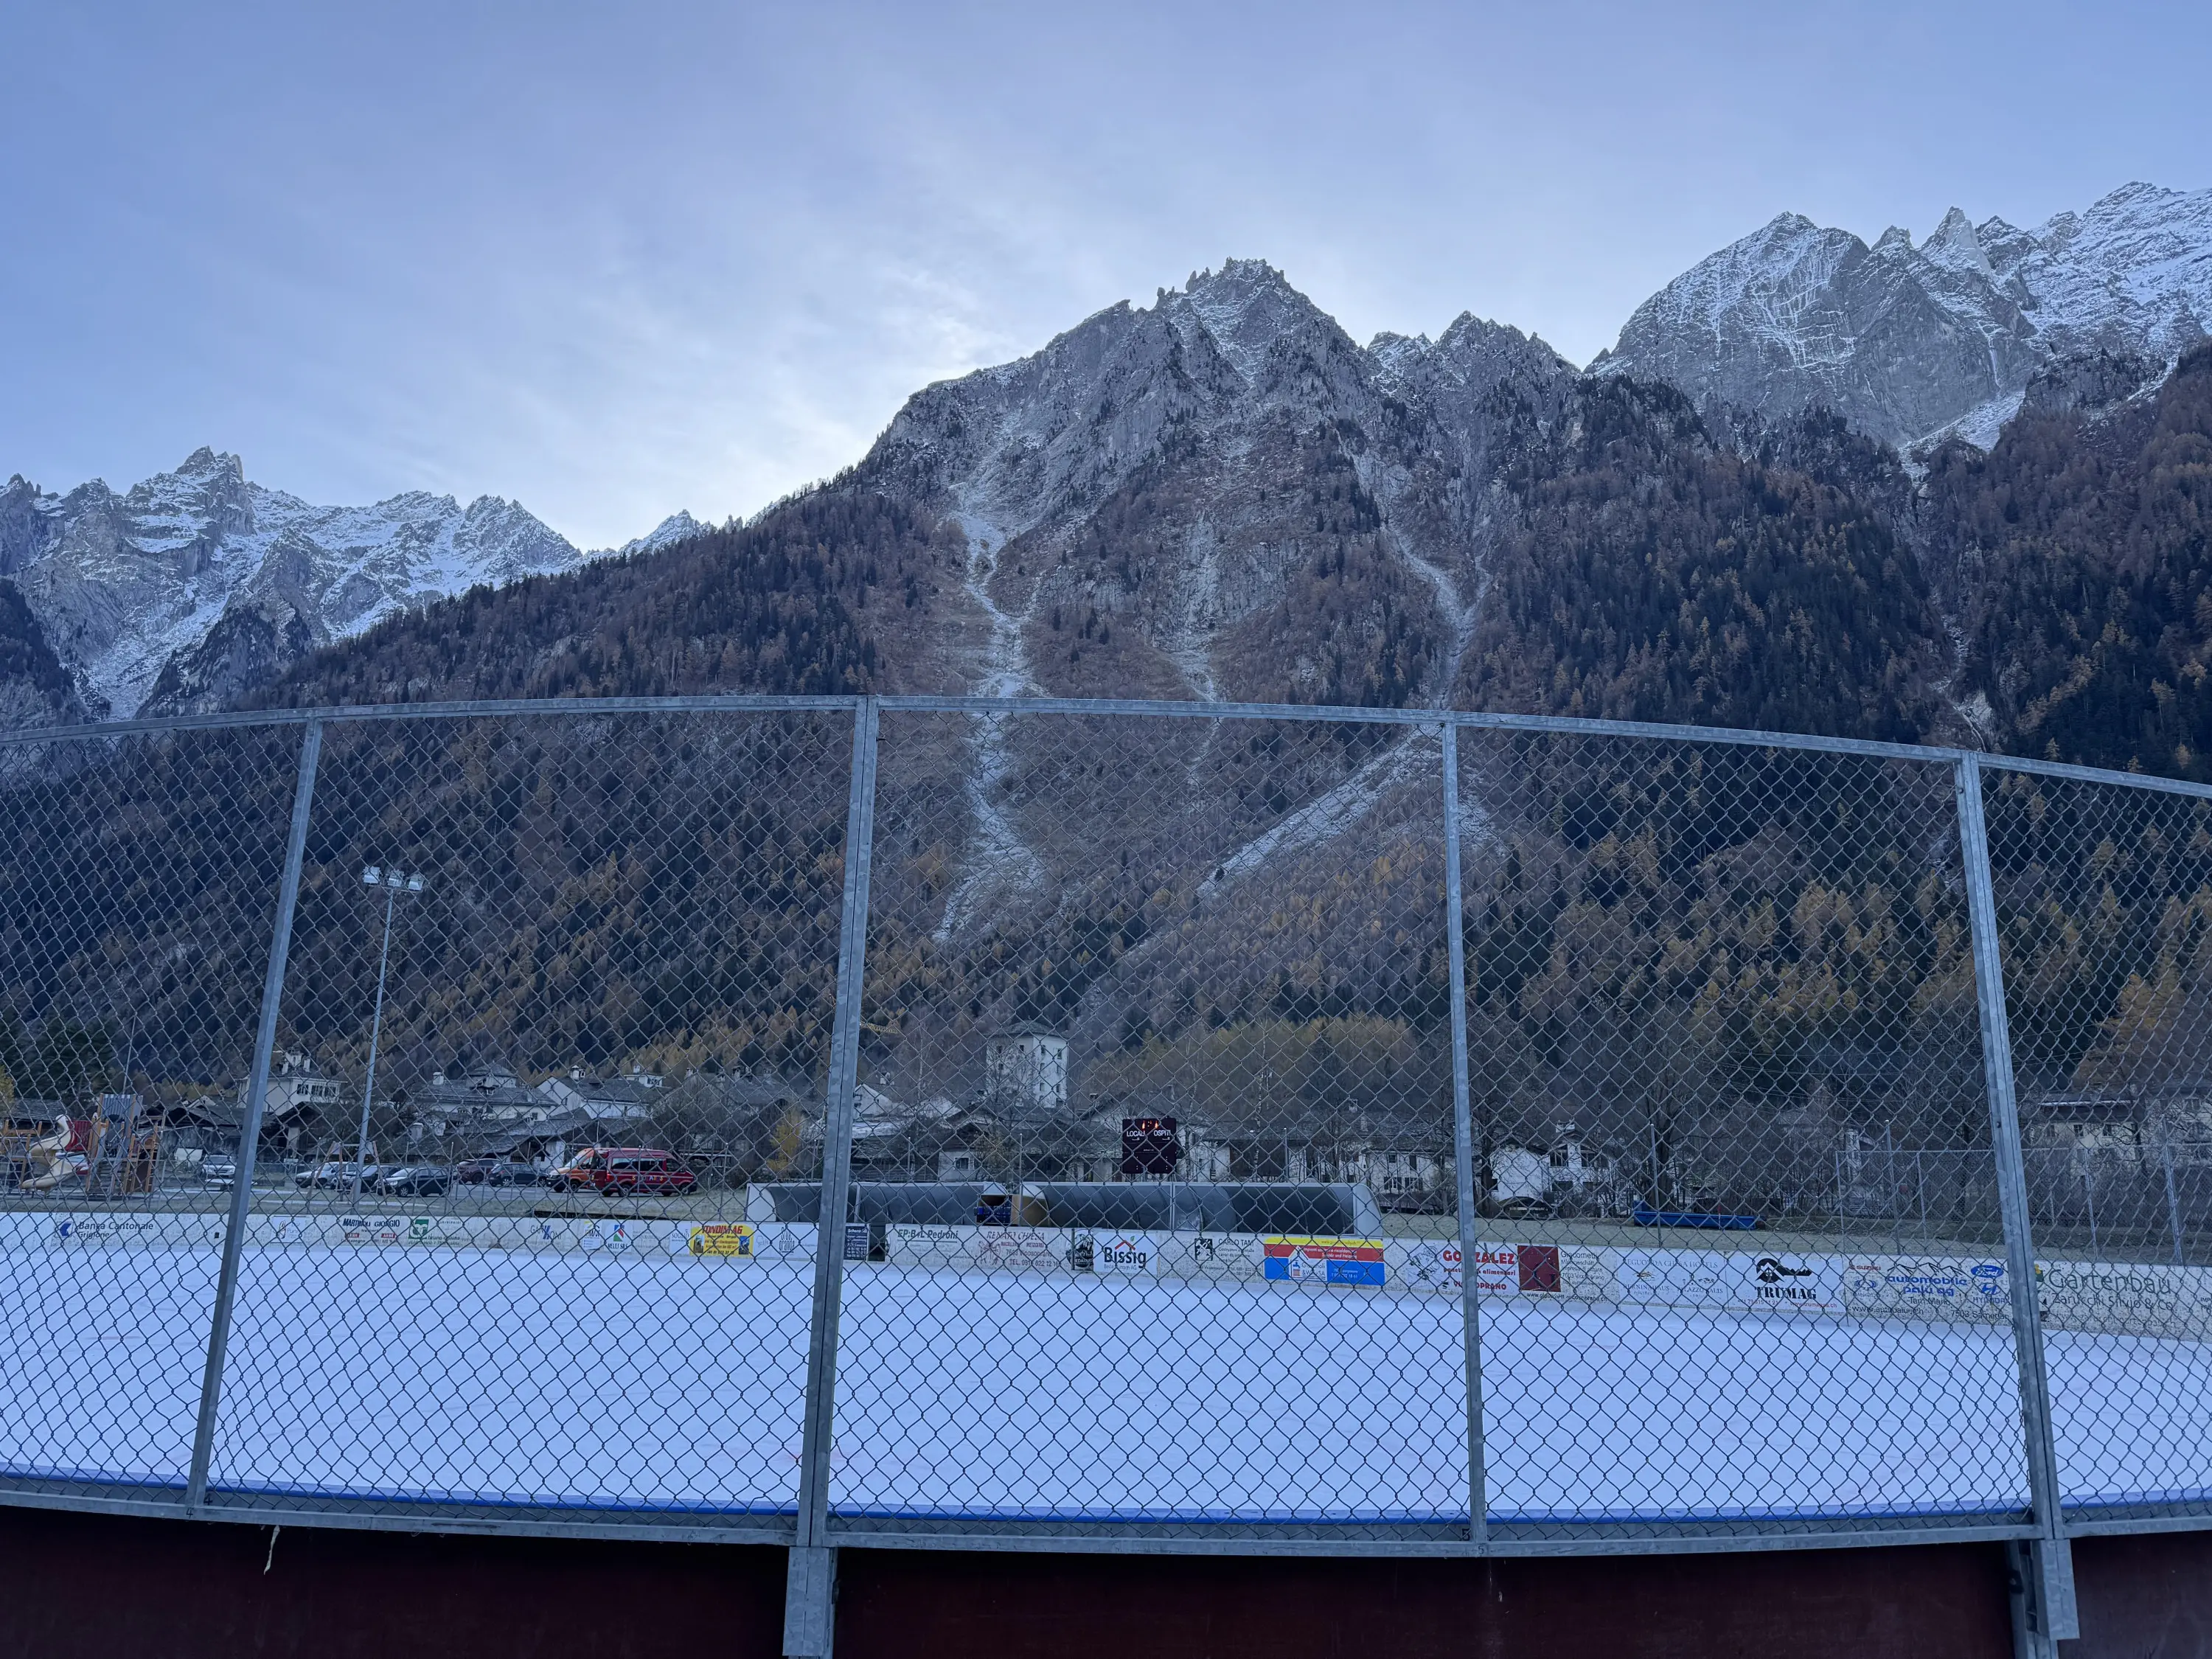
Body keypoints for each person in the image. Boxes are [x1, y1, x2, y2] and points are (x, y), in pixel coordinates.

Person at [23, 1115, 91, 1192]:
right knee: (52, 1163)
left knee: (53, 1164)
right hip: (66, 1147)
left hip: (68, 1144)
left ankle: (38, 1185)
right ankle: (40, 1186)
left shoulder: (70, 1137)